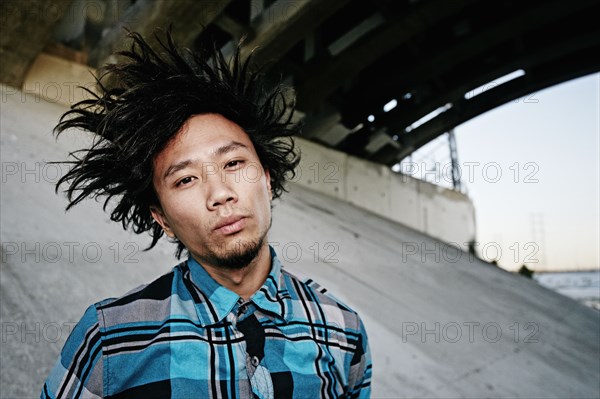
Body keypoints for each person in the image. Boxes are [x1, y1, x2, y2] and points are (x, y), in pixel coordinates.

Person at [41, 30, 372, 399]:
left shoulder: (343, 330)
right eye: (185, 179)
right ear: (162, 218)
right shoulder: (110, 339)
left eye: (233, 162)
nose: (219, 193)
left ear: (266, 177)